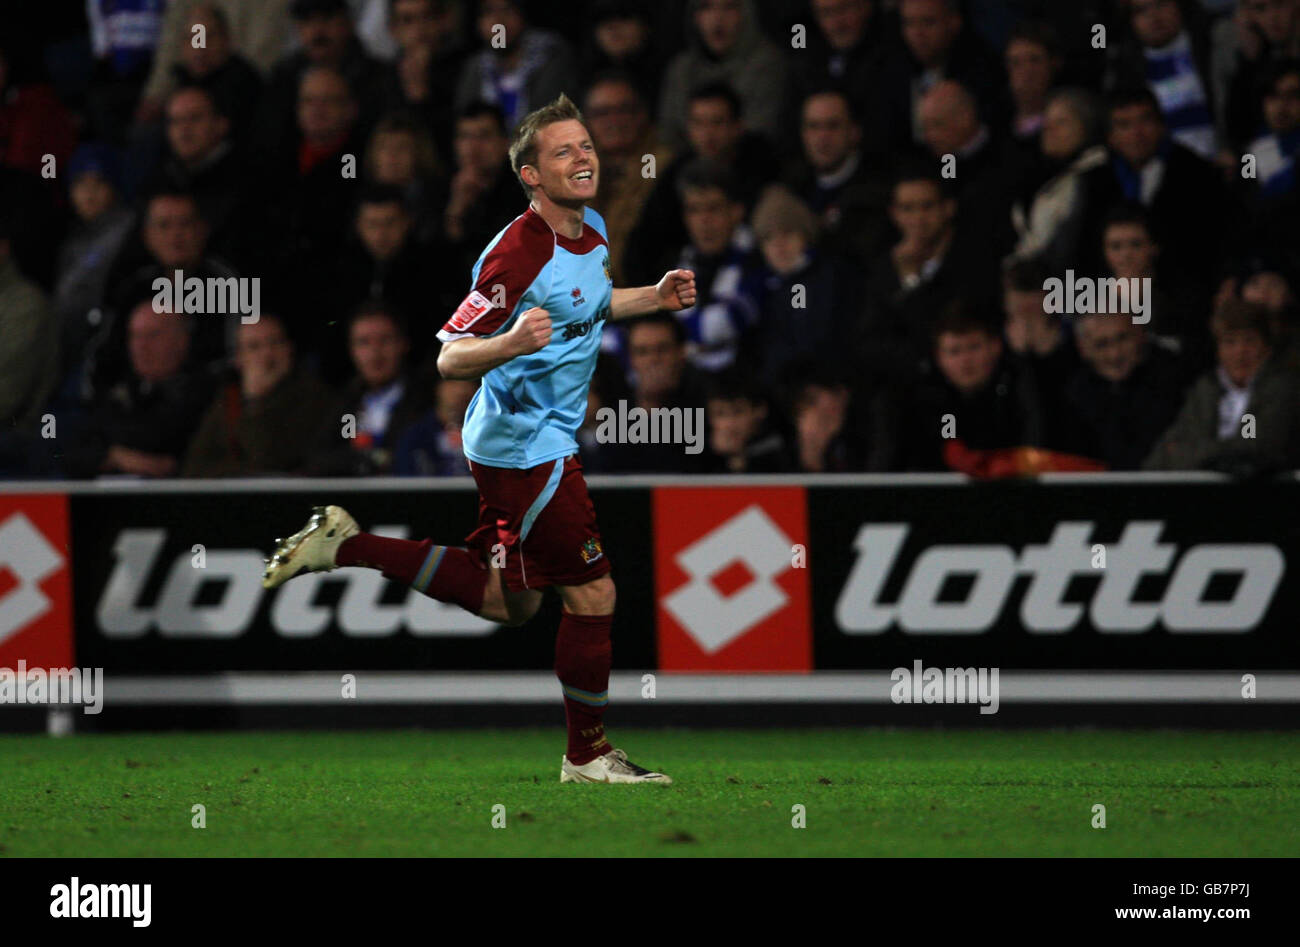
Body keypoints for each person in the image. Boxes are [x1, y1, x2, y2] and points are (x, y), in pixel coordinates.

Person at [262, 93, 696, 784]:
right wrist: (509, 340)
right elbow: (449, 356)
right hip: (525, 445)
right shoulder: (518, 253)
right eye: (564, 151)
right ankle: (587, 755)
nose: (583, 157)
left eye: (585, 145)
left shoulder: (594, 228)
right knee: (594, 592)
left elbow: (588, 302)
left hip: (531, 438)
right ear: (531, 174)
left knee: (512, 600)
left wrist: (652, 297)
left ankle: (343, 543)